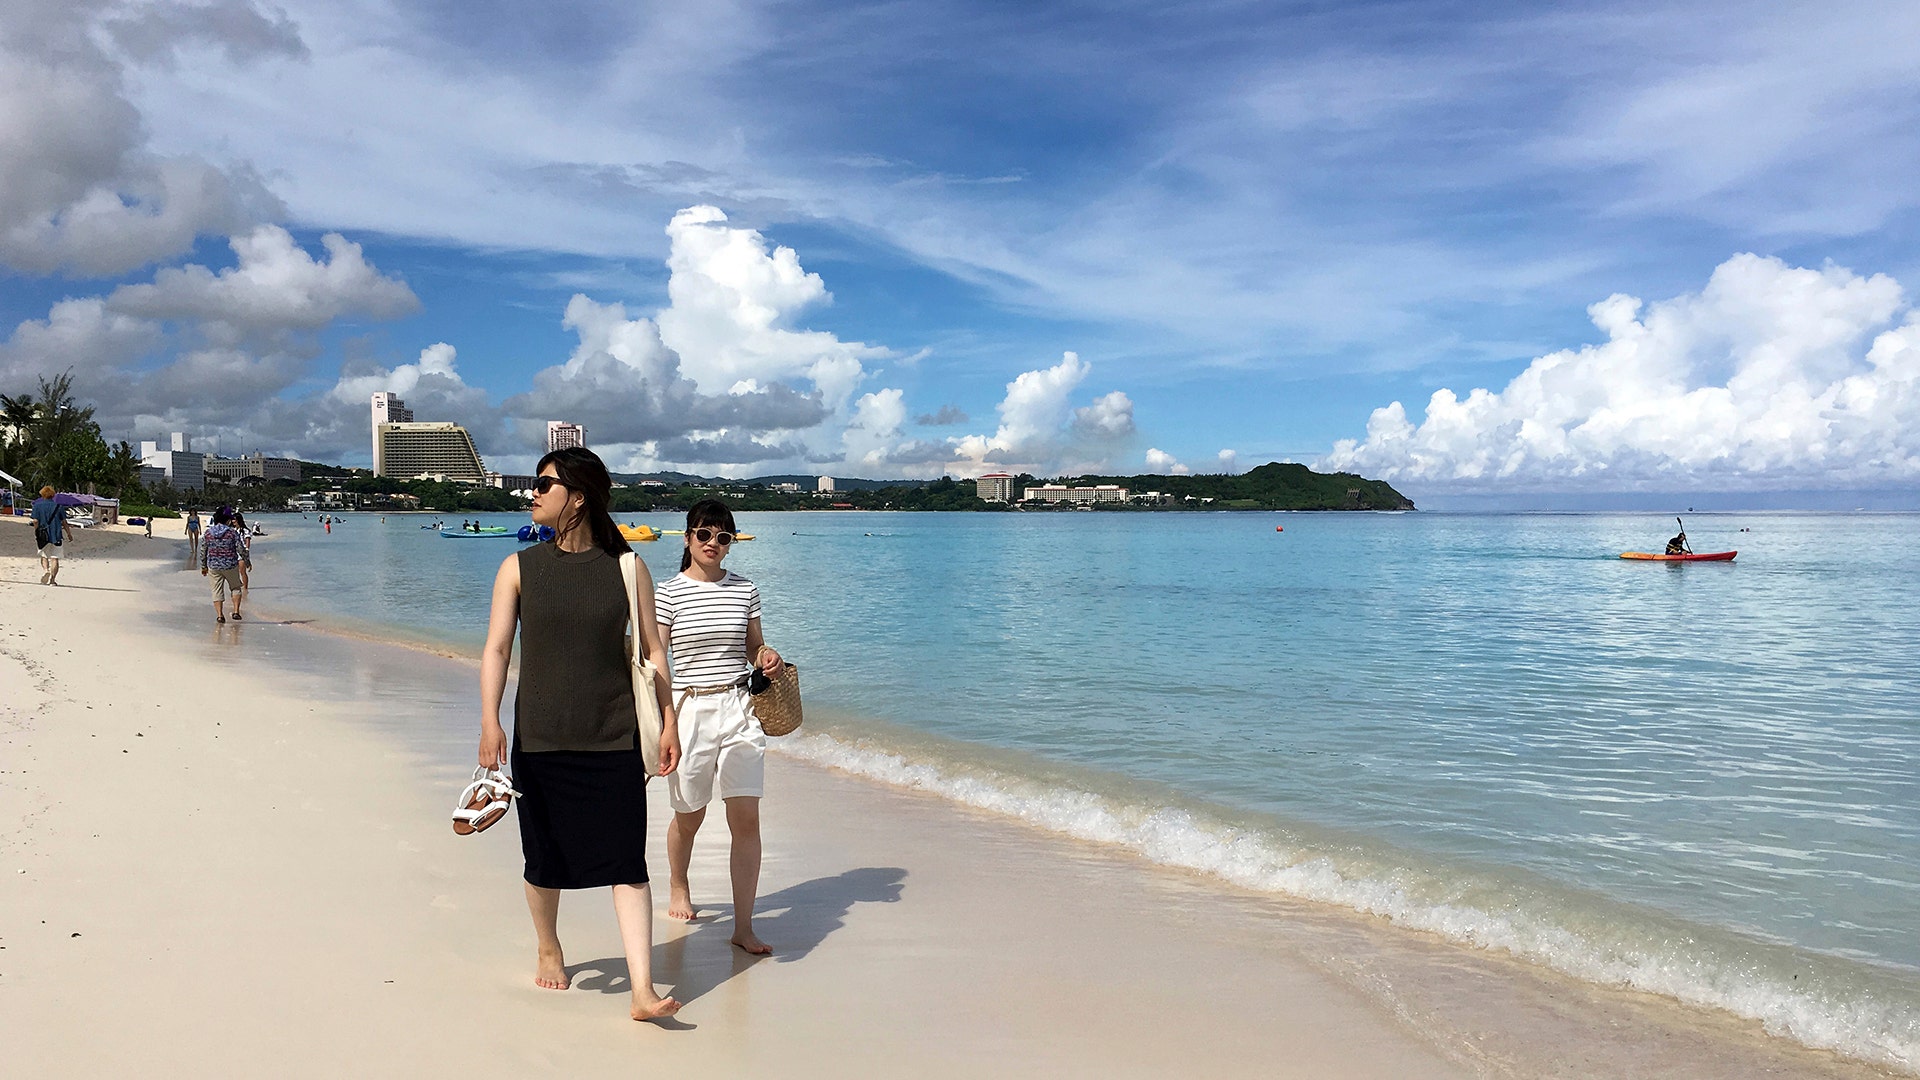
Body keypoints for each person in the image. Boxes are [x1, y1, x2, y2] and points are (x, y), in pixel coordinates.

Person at [476, 446, 684, 1021]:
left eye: (545, 484)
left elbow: (653, 650)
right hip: (540, 735)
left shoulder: (628, 567)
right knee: (543, 856)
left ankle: (642, 989)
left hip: (613, 734)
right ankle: (549, 945)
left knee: (626, 860)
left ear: (579, 495)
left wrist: (668, 721)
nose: (534, 494)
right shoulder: (519, 567)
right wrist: (490, 719)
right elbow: (497, 648)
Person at [659, 498, 783, 955]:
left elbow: (755, 645)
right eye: (705, 534)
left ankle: (743, 925)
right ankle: (678, 885)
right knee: (689, 816)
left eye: (723, 537)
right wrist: (664, 724)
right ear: (688, 537)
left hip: (739, 708)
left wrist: (765, 657)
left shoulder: (745, 588)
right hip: (689, 710)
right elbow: (658, 663)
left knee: (745, 817)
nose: (713, 543)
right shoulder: (669, 593)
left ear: (731, 543)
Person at [199, 507, 246, 623]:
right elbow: (240, 548)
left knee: (216, 591)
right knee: (235, 587)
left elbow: (203, 550)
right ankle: (236, 612)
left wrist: (203, 566)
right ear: (228, 520)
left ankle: (220, 616)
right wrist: (247, 560)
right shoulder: (232, 532)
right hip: (231, 565)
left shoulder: (208, 533)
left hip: (214, 566)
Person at [30, 486, 66, 586]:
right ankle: (52, 581)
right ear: (52, 495)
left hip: (43, 535)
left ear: (42, 495)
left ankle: (46, 570)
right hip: (56, 535)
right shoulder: (59, 507)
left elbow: (35, 521)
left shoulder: (37, 506)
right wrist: (69, 534)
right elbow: (64, 522)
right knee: (55, 558)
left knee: (44, 555)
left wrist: (36, 531)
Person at [234, 511, 253, 590]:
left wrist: (246, 552)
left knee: (242, 572)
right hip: (234, 552)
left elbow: (247, 541)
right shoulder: (233, 530)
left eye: (234, 519)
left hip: (242, 553)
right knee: (235, 572)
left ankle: (245, 588)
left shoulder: (245, 530)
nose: (232, 521)